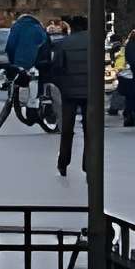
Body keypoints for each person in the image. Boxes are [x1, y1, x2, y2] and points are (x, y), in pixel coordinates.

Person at [50, 16, 96, 178]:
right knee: (89, 130)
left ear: (73, 28)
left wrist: (63, 86)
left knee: (67, 130)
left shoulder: (64, 43)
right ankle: (88, 164)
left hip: (69, 93)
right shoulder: (94, 42)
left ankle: (63, 163)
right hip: (90, 92)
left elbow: (56, 68)